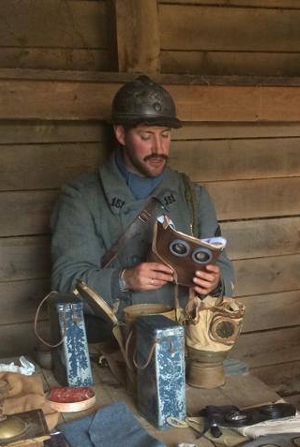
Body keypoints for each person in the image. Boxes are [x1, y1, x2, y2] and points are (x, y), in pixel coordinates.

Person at [50, 75, 235, 338]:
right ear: (120, 134)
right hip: (114, 345)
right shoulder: (81, 198)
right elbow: (65, 281)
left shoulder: (192, 196)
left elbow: (224, 268)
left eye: (165, 135)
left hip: (184, 341)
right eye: (146, 136)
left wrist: (214, 284)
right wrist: (124, 280)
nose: (159, 148)